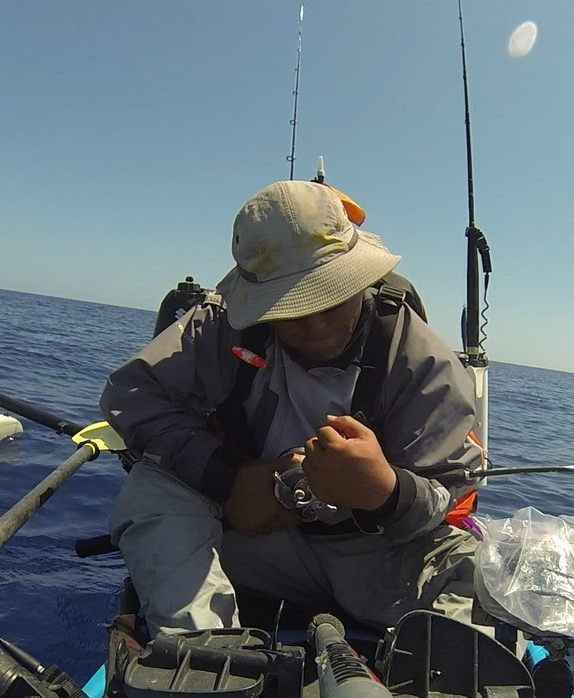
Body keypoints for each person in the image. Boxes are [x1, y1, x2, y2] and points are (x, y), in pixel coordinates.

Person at [101, 179, 484, 637]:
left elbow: (449, 498)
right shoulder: (221, 328)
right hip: (248, 544)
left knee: (486, 576)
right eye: (291, 307)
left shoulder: (423, 361)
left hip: (377, 559)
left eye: (332, 296)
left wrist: (384, 492)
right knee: (152, 488)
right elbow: (131, 395)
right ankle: (202, 658)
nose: (317, 325)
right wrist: (228, 481)